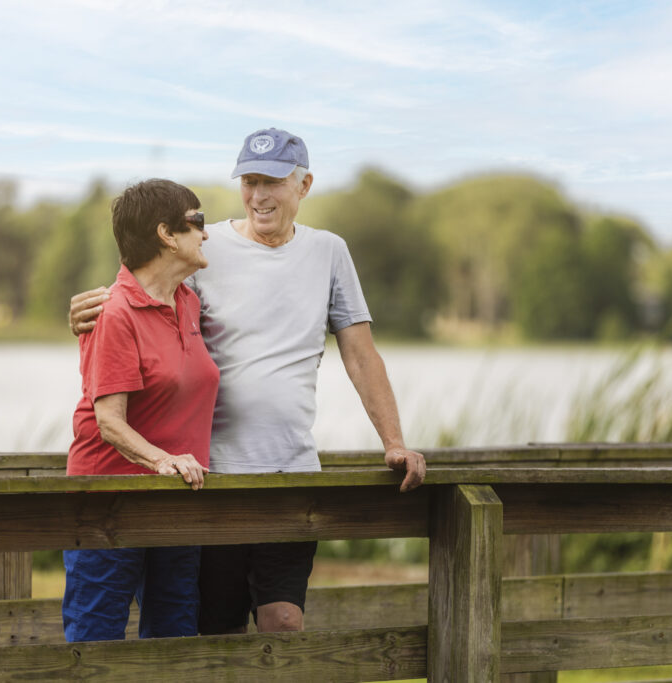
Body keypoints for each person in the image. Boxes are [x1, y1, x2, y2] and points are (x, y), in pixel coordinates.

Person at [69, 128, 427, 635]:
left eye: (273, 181)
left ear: (303, 185)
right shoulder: (203, 249)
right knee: (214, 633)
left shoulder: (329, 252)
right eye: (249, 181)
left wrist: (394, 443)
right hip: (213, 480)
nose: (258, 195)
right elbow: (137, 297)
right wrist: (85, 313)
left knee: (283, 623)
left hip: (292, 477)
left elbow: (361, 354)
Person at [63, 178, 218, 642]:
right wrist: (163, 460)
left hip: (175, 502)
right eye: (198, 222)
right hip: (109, 503)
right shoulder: (114, 312)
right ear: (166, 234)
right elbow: (109, 421)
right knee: (96, 643)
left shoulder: (188, 302)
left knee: (174, 639)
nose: (206, 234)